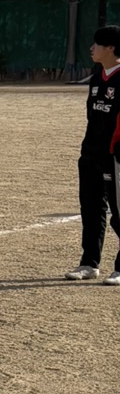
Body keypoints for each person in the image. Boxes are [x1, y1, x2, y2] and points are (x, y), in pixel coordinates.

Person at [65, 24, 120, 282]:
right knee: (90, 209)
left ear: (111, 48)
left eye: (96, 44)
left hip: (114, 156)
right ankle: (89, 263)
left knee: (118, 213)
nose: (91, 48)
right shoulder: (97, 77)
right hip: (90, 154)